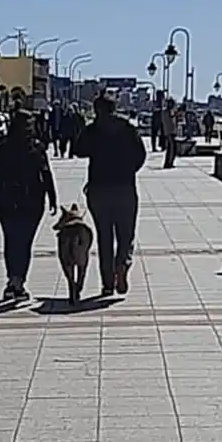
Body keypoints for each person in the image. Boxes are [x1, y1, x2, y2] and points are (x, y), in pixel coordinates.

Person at [74, 93, 146, 295]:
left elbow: (78, 149)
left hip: (98, 189)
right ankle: (122, 264)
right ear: (114, 109)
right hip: (125, 188)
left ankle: (107, 283)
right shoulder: (127, 128)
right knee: (126, 234)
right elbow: (141, 155)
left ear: (97, 110)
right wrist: (129, 170)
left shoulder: (93, 130)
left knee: (104, 237)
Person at [0, 110, 58, 300]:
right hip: (26, 202)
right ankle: (17, 282)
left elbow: (45, 173)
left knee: (13, 242)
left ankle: (14, 280)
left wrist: (52, 196)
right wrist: (52, 197)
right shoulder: (33, 148)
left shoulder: (9, 148)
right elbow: (45, 173)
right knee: (22, 243)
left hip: (16, 202)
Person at [161, 98, 177, 168]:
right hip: (169, 132)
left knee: (172, 148)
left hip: (171, 131)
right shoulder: (166, 112)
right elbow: (170, 118)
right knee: (171, 148)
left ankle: (169, 162)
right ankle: (168, 163)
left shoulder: (168, 112)